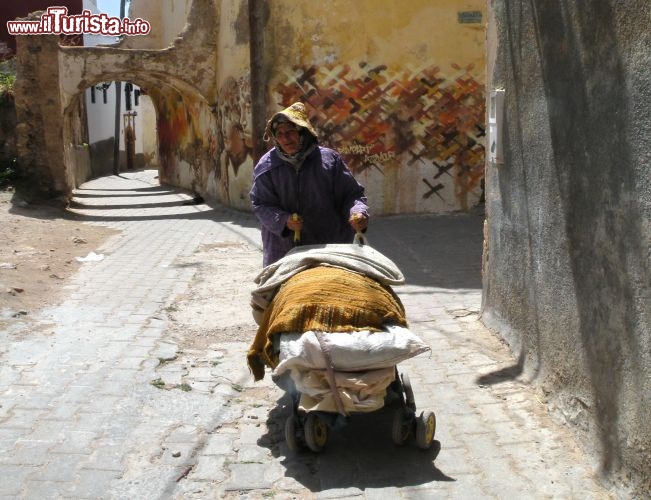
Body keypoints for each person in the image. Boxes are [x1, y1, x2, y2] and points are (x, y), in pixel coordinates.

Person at [249, 102, 369, 267]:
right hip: (284, 250)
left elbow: (352, 195)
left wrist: (358, 212)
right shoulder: (267, 166)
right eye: (280, 133)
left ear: (304, 133)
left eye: (291, 132)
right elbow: (260, 204)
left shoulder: (329, 161)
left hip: (330, 247)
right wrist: (284, 220)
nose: (285, 138)